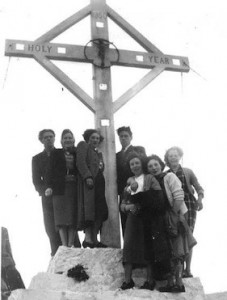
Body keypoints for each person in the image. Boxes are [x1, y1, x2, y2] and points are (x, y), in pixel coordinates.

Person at [147, 155, 197, 293]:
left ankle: (179, 283)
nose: (153, 168)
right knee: (168, 250)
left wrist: (174, 215)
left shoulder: (169, 177)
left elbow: (179, 196)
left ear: (161, 165)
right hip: (161, 219)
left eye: (155, 164)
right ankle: (170, 283)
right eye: (150, 166)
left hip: (174, 215)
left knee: (177, 249)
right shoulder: (151, 181)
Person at [120, 153, 164, 290]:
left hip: (147, 216)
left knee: (148, 246)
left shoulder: (149, 178)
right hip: (133, 218)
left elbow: (158, 195)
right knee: (128, 245)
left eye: (137, 163)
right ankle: (127, 280)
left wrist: (141, 201)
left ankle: (149, 280)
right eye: (132, 164)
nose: (134, 166)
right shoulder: (128, 183)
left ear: (142, 164)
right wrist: (128, 206)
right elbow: (122, 204)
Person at [164, 146, 204, 278]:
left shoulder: (187, 171)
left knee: (188, 233)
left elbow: (198, 187)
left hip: (189, 204)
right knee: (177, 236)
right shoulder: (166, 174)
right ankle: (178, 270)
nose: (174, 157)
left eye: (176, 155)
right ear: (167, 159)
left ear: (180, 156)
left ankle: (188, 269)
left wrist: (199, 199)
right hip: (175, 206)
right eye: (171, 156)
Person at [45, 129, 80, 248]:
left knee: (72, 216)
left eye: (70, 138)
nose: (68, 140)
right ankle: (64, 245)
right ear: (61, 141)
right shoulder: (56, 153)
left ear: (74, 140)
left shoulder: (77, 153)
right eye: (65, 138)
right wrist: (48, 186)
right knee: (61, 218)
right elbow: (49, 170)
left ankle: (70, 244)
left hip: (73, 187)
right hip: (59, 189)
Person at [76, 129, 108, 248]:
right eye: (93, 137)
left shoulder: (98, 153)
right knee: (89, 211)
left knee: (100, 210)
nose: (95, 140)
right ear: (88, 138)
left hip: (99, 182)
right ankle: (88, 239)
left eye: (97, 138)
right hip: (89, 183)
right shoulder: (83, 146)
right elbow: (80, 162)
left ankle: (95, 239)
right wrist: (87, 176)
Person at [32, 129, 61, 256]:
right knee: (50, 225)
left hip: (62, 194)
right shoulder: (37, 158)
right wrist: (44, 190)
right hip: (47, 196)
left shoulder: (61, 154)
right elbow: (36, 179)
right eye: (45, 137)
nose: (48, 139)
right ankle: (54, 253)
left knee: (65, 224)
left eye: (51, 136)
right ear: (41, 140)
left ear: (55, 138)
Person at [116, 126, 146, 236]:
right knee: (125, 219)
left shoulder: (138, 150)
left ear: (131, 137)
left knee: (138, 218)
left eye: (126, 136)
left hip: (137, 188)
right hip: (124, 192)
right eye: (121, 136)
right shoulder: (116, 155)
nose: (123, 138)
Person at [1, 227, 25, 297]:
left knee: (21, 294)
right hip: (7, 269)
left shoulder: (3, 230)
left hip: (9, 267)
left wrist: (12, 264)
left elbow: (8, 249)